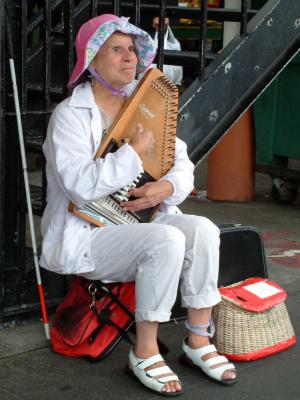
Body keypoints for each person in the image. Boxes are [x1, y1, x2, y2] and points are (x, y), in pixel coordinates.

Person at [40, 14, 237, 396]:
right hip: (88, 235)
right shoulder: (69, 116)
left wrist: (165, 187)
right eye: (117, 49)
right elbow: (80, 185)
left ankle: (198, 340)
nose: (129, 57)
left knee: (202, 230)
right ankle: (143, 351)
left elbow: (182, 164)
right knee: (164, 240)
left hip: (136, 224)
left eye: (132, 49)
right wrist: (132, 154)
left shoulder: (142, 107)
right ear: (92, 59)